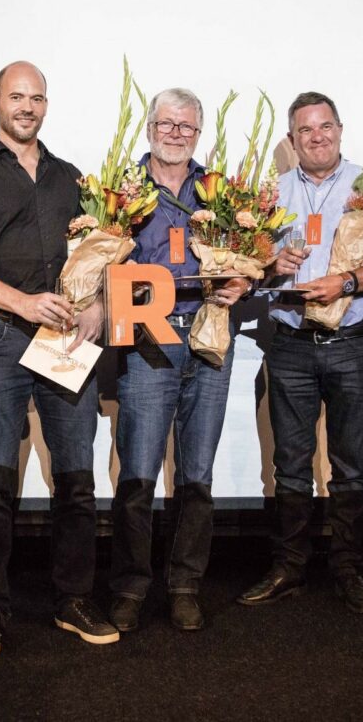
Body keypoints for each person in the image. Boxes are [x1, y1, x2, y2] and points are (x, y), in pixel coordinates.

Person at [0, 61, 117, 658]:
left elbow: (103, 258)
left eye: (36, 97)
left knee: (76, 481)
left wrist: (95, 309)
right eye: (16, 97)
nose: (27, 107)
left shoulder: (72, 178)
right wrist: (24, 303)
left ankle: (72, 600)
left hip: (69, 340)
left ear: (47, 104)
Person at [235, 92, 363, 615]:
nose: (317, 137)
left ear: (340, 129)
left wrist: (350, 281)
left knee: (349, 465)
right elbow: (245, 270)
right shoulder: (269, 195)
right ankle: (289, 567)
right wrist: (269, 268)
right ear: (291, 140)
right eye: (305, 130)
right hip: (289, 345)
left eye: (325, 126)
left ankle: (349, 568)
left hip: (352, 343)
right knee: (290, 465)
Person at [107, 88, 251, 633]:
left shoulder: (222, 193)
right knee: (139, 472)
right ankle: (129, 587)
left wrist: (244, 278)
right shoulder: (121, 193)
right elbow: (98, 266)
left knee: (197, 473)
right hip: (149, 337)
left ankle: (185, 585)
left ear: (198, 133)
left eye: (186, 127)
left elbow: (250, 260)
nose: (175, 133)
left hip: (211, 333)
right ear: (149, 127)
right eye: (166, 123)